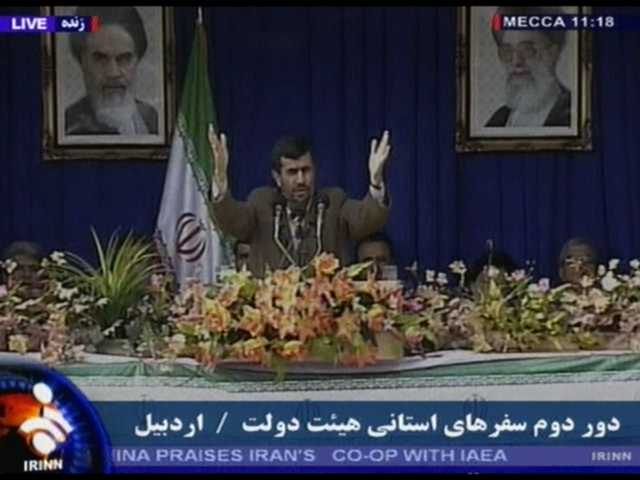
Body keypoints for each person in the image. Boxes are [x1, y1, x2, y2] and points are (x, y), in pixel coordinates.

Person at [207, 129, 392, 277]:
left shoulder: (333, 202)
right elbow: (232, 220)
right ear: (277, 177)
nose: (301, 180)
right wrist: (220, 182)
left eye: (306, 170)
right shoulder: (261, 203)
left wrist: (375, 183)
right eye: (292, 172)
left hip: (324, 307)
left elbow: (366, 219)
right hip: (271, 308)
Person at [65, 6, 158, 135]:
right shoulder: (67, 125)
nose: (113, 73)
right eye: (100, 59)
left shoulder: (152, 119)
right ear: (81, 61)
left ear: (138, 59)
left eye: (124, 59)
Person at [485, 6, 571, 128]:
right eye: (507, 51)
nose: (516, 61)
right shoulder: (499, 119)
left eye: (527, 50)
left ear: (553, 53)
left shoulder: (571, 114)